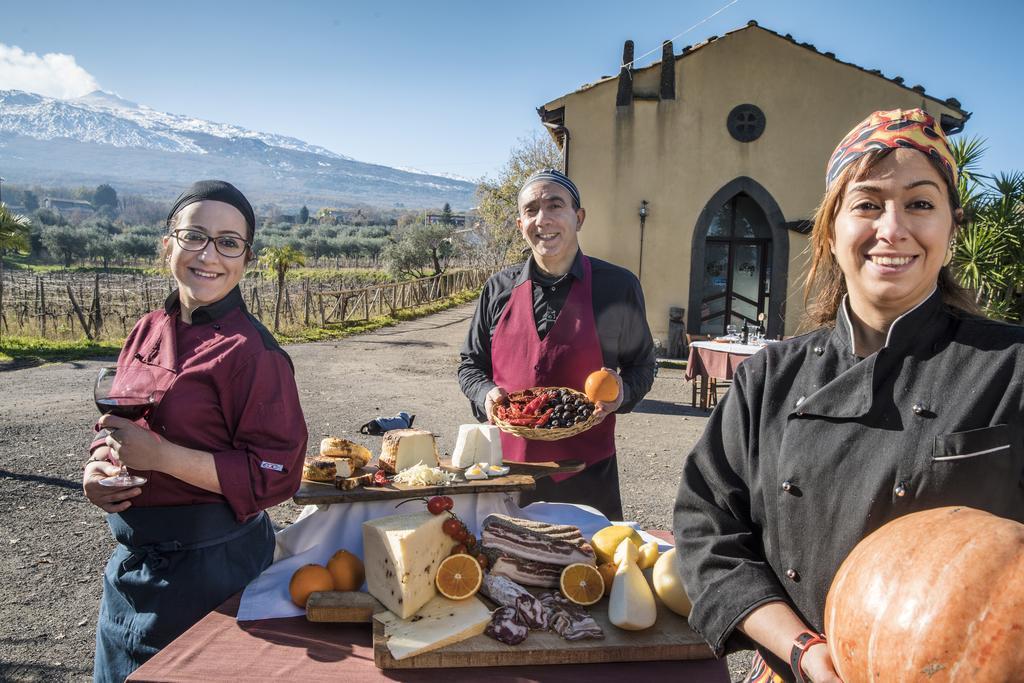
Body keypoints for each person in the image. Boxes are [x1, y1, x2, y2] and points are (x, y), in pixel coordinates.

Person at [674, 108, 1024, 683]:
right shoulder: (769, 379)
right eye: (867, 204)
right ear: (831, 231)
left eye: (919, 203)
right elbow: (706, 530)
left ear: (951, 229)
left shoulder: (1010, 368)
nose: (892, 228)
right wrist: (802, 649)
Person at [82, 180, 308, 682]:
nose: (210, 254)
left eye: (229, 242)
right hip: (133, 568)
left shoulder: (255, 355)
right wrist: (99, 463)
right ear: (168, 245)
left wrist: (161, 458)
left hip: (212, 573)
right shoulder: (146, 329)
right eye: (195, 236)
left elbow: (278, 474)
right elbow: (119, 420)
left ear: (246, 259)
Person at [458, 169, 656, 520]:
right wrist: (485, 393)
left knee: (590, 572)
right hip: (506, 474)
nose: (542, 219)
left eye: (555, 205)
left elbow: (642, 365)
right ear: (521, 224)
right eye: (531, 210)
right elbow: (470, 365)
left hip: (588, 474)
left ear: (578, 218)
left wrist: (621, 393)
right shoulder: (497, 289)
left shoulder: (618, 286)